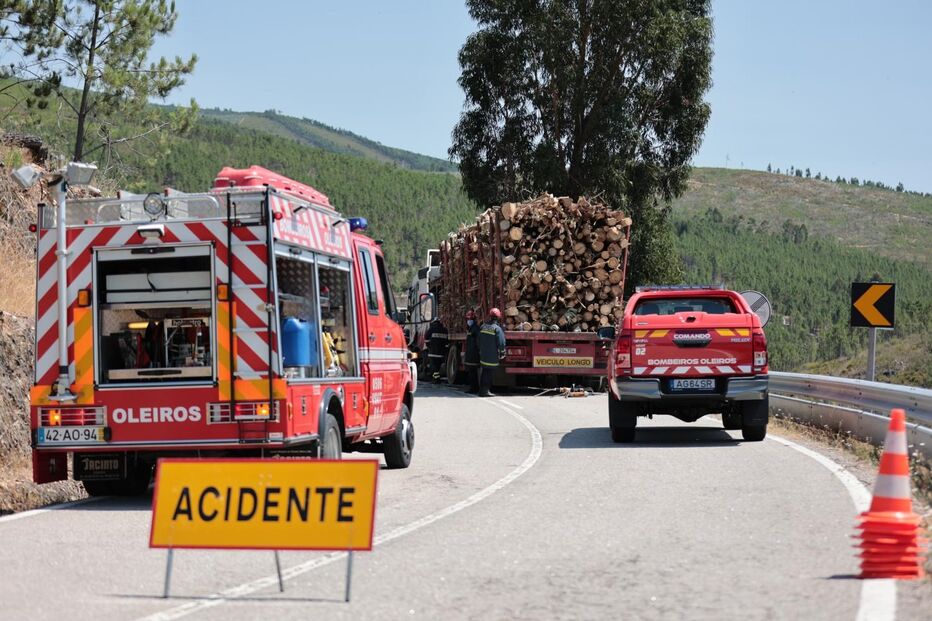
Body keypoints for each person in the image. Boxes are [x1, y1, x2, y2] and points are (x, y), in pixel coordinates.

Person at [478, 308, 506, 397]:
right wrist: (502, 352)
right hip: (492, 355)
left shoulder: (483, 326)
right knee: (488, 373)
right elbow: (501, 343)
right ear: (498, 318)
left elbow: (478, 340)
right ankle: (485, 391)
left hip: (483, 354)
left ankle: (482, 390)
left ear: (490, 316)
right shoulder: (497, 329)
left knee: (484, 372)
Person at [424, 317, 449, 381]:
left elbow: (426, 339)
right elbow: (446, 343)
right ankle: (436, 378)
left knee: (433, 367)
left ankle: (436, 378)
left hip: (432, 352)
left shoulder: (431, 329)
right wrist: (444, 350)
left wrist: (429, 346)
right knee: (437, 367)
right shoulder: (445, 330)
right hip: (440, 353)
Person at [464, 309, 481, 393]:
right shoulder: (471, 328)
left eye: (470, 319)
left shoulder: (475, 329)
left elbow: (477, 342)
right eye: (467, 320)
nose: (468, 321)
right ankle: (473, 388)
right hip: (471, 354)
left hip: (473, 355)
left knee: (473, 373)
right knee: (471, 373)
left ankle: (474, 388)